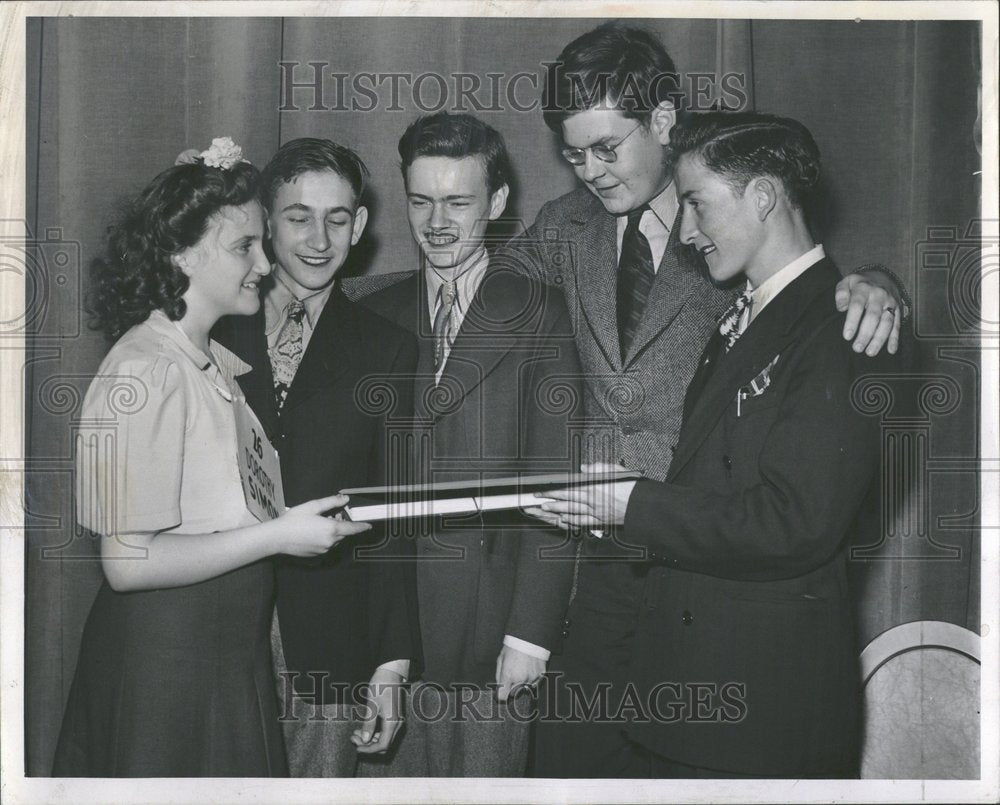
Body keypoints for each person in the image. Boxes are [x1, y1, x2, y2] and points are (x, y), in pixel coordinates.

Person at [489, 21, 908, 777]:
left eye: (607, 148)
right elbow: (462, 297)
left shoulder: (724, 210)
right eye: (573, 153)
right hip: (597, 573)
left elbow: (808, 280)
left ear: (662, 121)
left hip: (714, 579)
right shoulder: (565, 227)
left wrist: (878, 283)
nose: (588, 170)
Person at [53, 138, 369, 777]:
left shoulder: (211, 366)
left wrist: (294, 520)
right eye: (243, 247)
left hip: (224, 657)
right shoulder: (142, 370)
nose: (265, 262)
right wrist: (281, 535)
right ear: (180, 253)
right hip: (165, 666)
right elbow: (127, 561)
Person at [350, 112, 582, 777]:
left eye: (458, 201)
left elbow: (556, 484)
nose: (438, 221)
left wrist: (531, 633)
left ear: (499, 202)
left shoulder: (542, 313)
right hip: (393, 629)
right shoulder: (372, 314)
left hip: (493, 625)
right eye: (421, 201)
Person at [213, 138, 420, 777]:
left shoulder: (388, 349)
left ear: (359, 225)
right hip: (213, 623)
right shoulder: (210, 325)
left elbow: (394, 515)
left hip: (329, 641)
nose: (319, 239)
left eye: (338, 218)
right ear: (265, 222)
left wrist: (390, 665)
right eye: (299, 216)